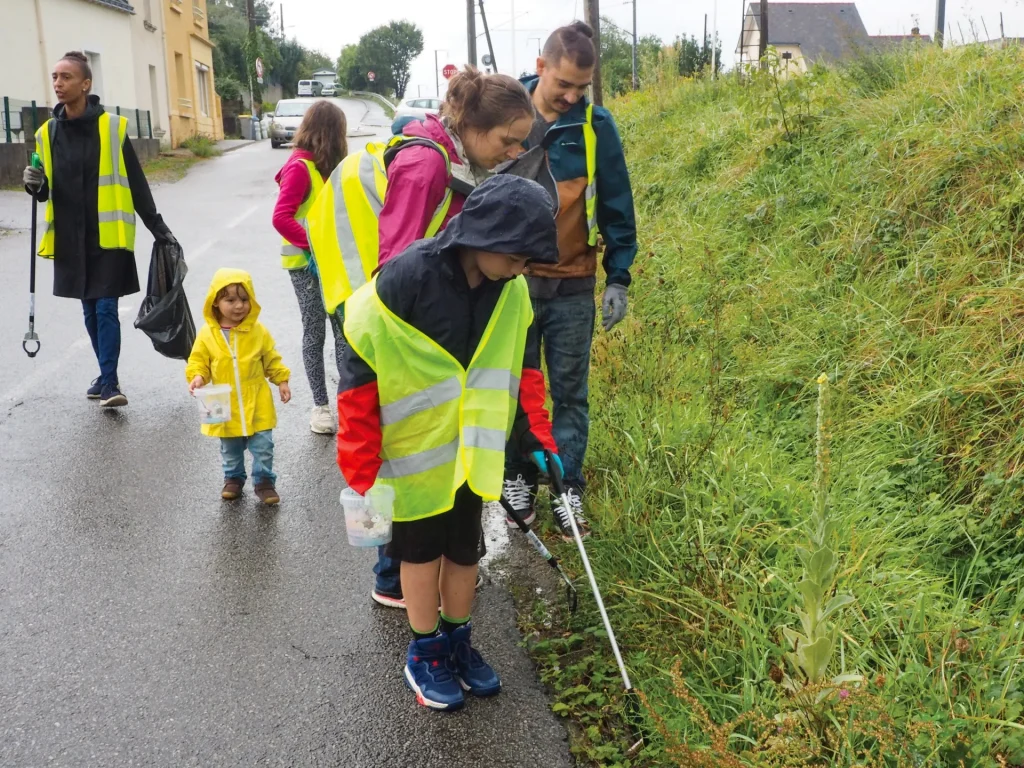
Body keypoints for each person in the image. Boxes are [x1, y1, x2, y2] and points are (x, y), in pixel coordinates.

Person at [307, 67, 537, 609]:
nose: (514, 151)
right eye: (508, 139)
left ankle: (416, 566)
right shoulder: (425, 163)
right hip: (373, 311)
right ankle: (396, 572)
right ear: (475, 125)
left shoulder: (453, 156)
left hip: (387, 305)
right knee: (399, 439)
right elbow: (401, 266)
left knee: (416, 440)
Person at [336, 175, 562, 711]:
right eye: (519, 258)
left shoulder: (511, 292)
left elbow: (524, 368)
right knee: (419, 555)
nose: (522, 271)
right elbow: (359, 363)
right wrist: (359, 460)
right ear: (485, 234)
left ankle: (458, 640)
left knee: (464, 550)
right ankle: (425, 650)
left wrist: (537, 435)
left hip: (472, 454)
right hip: (414, 454)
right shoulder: (408, 276)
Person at [502, 21, 638, 539]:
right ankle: (519, 476)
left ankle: (567, 488)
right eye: (563, 84)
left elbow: (617, 203)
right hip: (512, 284)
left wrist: (618, 276)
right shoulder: (508, 116)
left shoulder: (596, 126)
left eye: (582, 87)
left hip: (574, 283)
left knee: (570, 393)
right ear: (541, 68)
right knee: (514, 388)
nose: (572, 95)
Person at [22, 51, 176, 408]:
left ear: (86, 84)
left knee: (105, 307)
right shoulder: (47, 133)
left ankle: (110, 382)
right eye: (55, 77)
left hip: (108, 236)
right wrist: (34, 182)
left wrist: (159, 228)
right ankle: (104, 374)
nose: (58, 84)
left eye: (66, 77)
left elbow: (136, 184)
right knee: (90, 310)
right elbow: (43, 192)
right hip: (70, 240)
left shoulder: (112, 127)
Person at [272, 101, 347, 435]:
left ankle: (349, 403)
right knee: (316, 331)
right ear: (331, 133)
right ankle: (320, 407)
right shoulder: (300, 168)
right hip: (305, 267)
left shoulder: (325, 168)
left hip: (330, 264)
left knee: (344, 332)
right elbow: (281, 217)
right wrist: (313, 246)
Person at [186, 269, 292, 505]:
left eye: (244, 299)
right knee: (230, 446)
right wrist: (198, 377)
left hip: (257, 397)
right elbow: (198, 361)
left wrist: (281, 380)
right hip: (224, 401)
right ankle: (233, 478)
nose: (239, 306)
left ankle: (264, 481)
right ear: (215, 302)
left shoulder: (258, 332)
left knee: (263, 444)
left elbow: (271, 359)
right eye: (230, 300)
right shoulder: (207, 334)